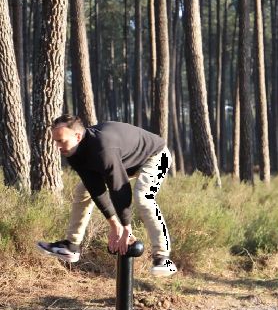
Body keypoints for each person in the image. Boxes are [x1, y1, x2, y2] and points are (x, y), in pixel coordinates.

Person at [37, 114, 177, 277]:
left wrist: (126, 228)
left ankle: (162, 257)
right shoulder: (73, 152)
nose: (57, 147)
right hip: (126, 161)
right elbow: (95, 189)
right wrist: (115, 226)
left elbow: (119, 188)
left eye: (61, 141)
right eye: (56, 141)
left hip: (155, 155)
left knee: (143, 196)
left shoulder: (103, 148)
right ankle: (71, 246)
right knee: (82, 190)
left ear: (77, 136)